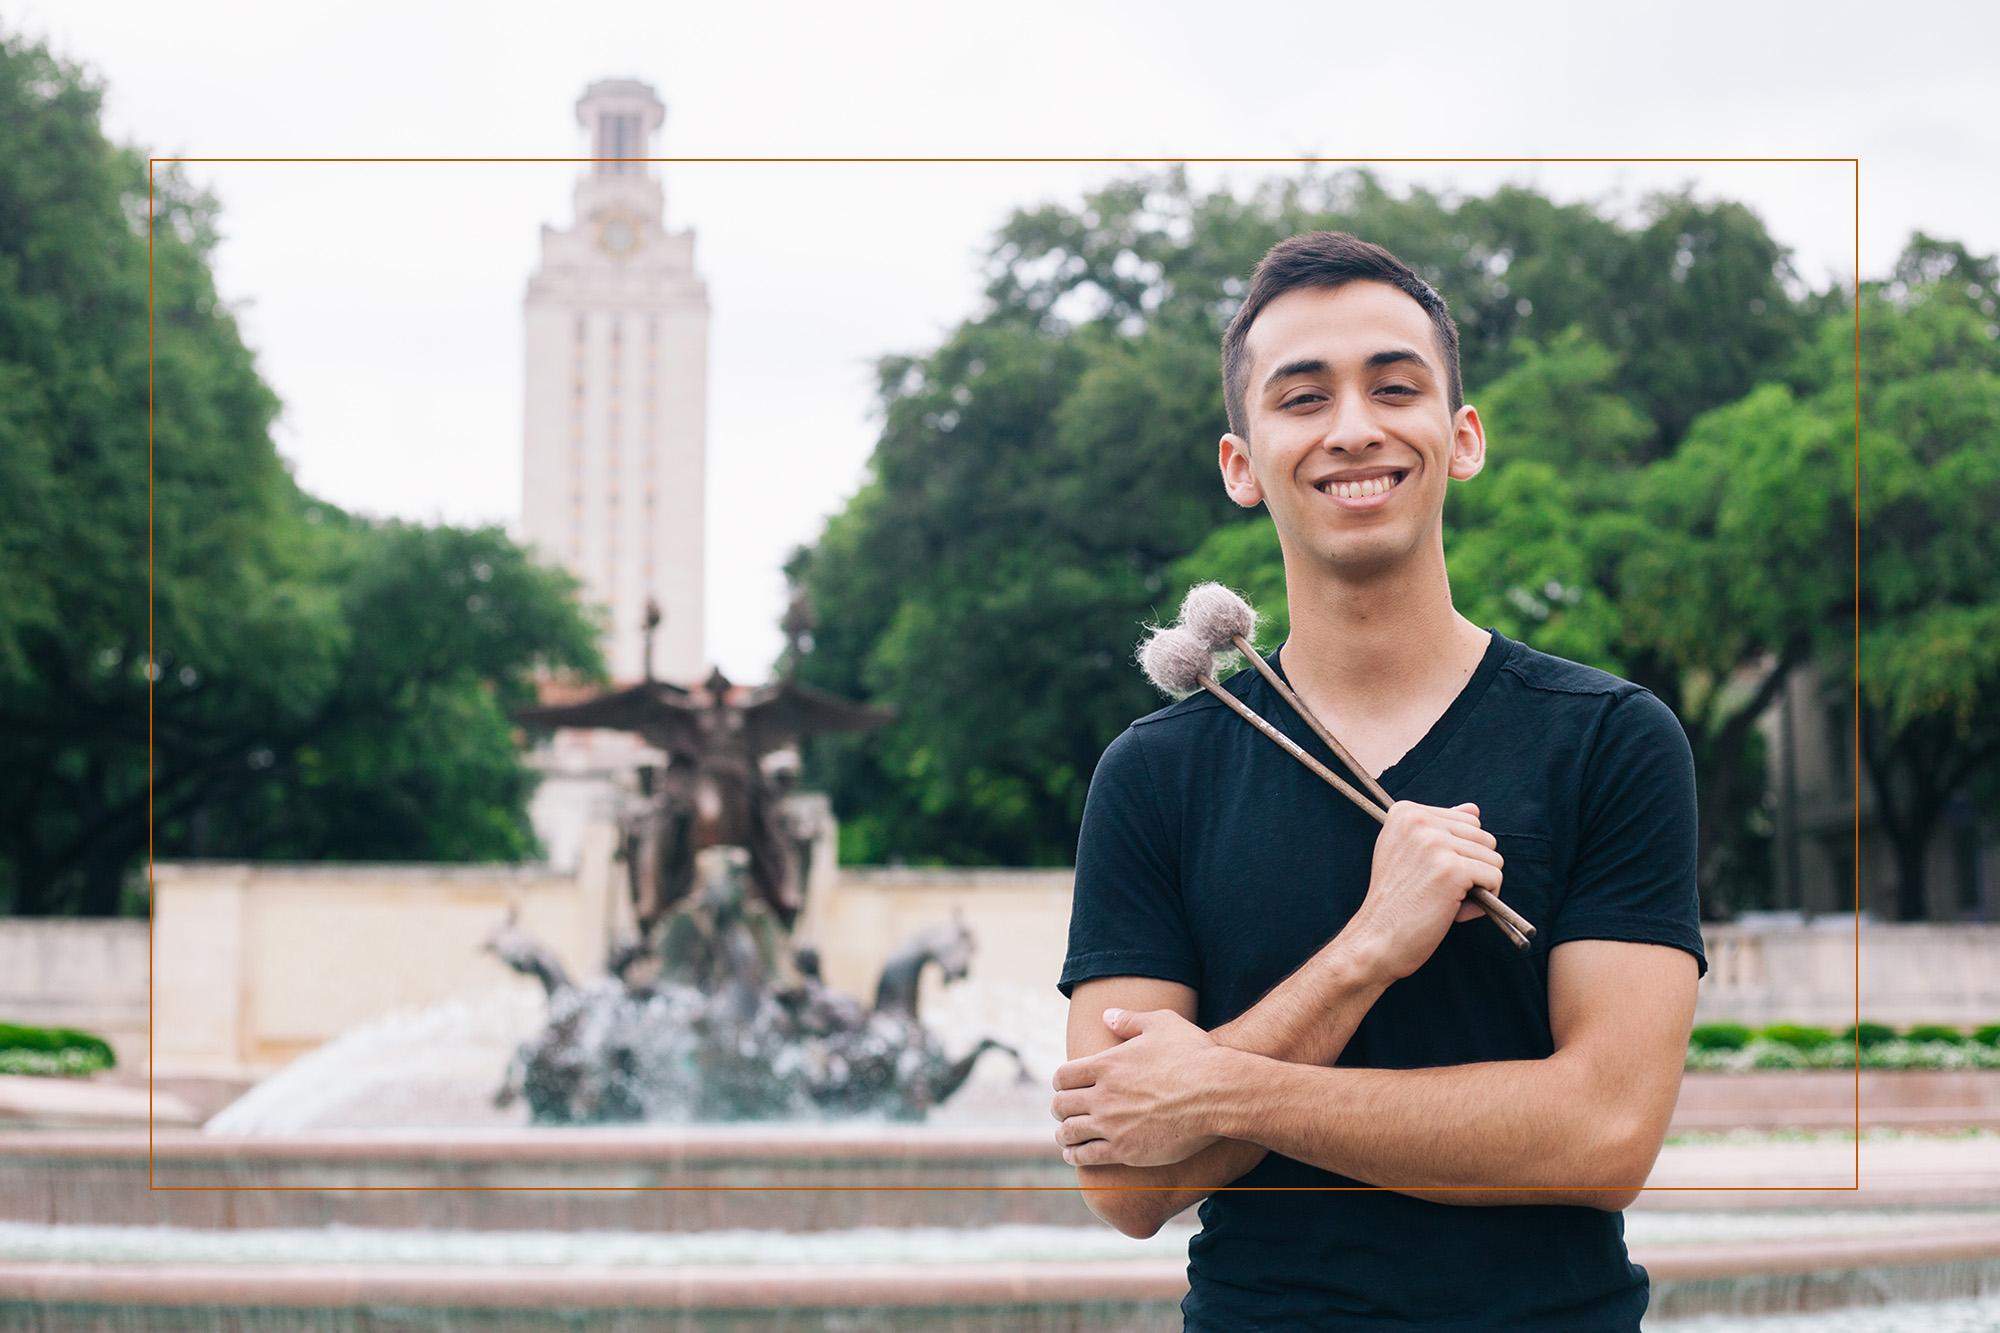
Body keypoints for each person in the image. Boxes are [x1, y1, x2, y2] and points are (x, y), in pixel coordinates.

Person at [1052, 231, 1705, 1330]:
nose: (1352, 426)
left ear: (1459, 439)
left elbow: (1602, 1134)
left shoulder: (1610, 739)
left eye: (1392, 388)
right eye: (1301, 398)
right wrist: (1365, 950)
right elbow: (1126, 1180)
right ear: (1240, 465)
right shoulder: (1153, 775)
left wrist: (1222, 1087)